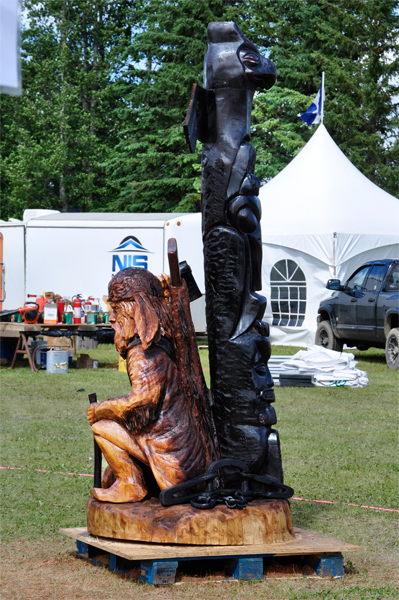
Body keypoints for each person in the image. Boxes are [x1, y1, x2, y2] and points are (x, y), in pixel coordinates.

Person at [86, 267, 210, 503]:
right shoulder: (163, 337)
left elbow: (142, 402)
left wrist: (100, 409)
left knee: (102, 426)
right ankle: (124, 479)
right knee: (109, 458)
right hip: (181, 455)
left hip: (176, 466)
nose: (112, 318)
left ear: (136, 307)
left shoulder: (142, 354)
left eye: (117, 308)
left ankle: (130, 485)